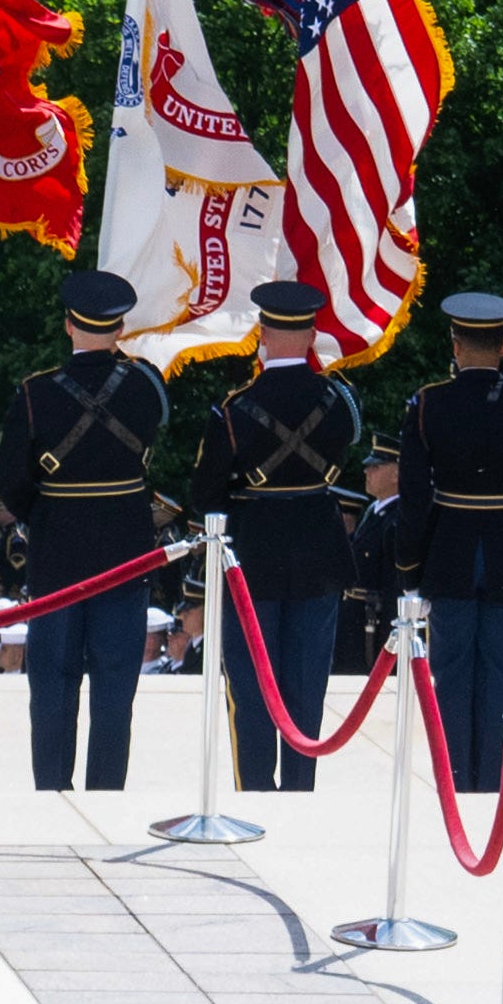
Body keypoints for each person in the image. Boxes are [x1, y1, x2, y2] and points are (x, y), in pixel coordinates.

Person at [0, 267, 167, 794]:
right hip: (126, 552)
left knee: (53, 683)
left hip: (58, 556)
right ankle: (106, 796)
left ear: (69, 325)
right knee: (116, 688)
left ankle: (51, 792)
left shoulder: (35, 393)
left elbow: (8, 479)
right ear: (119, 330)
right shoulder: (148, 386)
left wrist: (44, 514)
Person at [378, 293, 503, 795]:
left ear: (455, 346)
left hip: (449, 551)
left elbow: (412, 496)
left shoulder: (429, 403)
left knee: (451, 673)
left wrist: (409, 565)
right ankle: (494, 784)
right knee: (500, 668)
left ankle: (454, 783)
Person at [191, 283, 358, 791]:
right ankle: (302, 790)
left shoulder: (234, 410)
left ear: (261, 334)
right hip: (320, 551)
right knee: (307, 684)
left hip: (254, 556)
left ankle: (257, 793)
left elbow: (205, 497)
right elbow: (342, 456)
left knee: (251, 682)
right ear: (311, 335)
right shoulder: (340, 400)